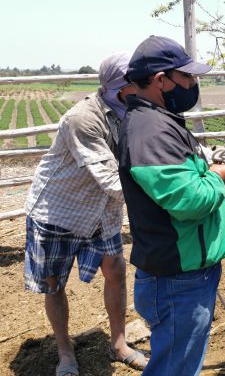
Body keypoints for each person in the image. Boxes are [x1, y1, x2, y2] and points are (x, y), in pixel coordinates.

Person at [118, 36, 225, 376]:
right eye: (187, 77)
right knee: (173, 370)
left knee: (180, 365)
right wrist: (219, 178)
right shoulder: (150, 132)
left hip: (185, 273)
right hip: (178, 279)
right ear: (161, 80)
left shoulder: (158, 121)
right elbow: (189, 201)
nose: (193, 84)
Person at [24, 53, 147, 376]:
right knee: (54, 283)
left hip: (102, 212)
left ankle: (118, 343)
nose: (146, 87)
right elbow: (109, 179)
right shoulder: (83, 119)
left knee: (116, 270)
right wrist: (168, 194)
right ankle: (65, 352)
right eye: (139, 82)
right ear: (122, 87)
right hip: (59, 211)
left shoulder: (135, 112)